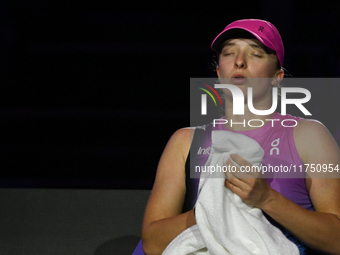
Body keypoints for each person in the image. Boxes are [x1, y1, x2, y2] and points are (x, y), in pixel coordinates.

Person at [139, 19, 340, 255]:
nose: (240, 62)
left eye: (255, 54)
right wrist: (216, 206)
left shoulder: (309, 135)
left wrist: (266, 199)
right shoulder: (185, 142)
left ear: (277, 76)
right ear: (218, 73)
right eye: (229, 53)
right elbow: (152, 243)